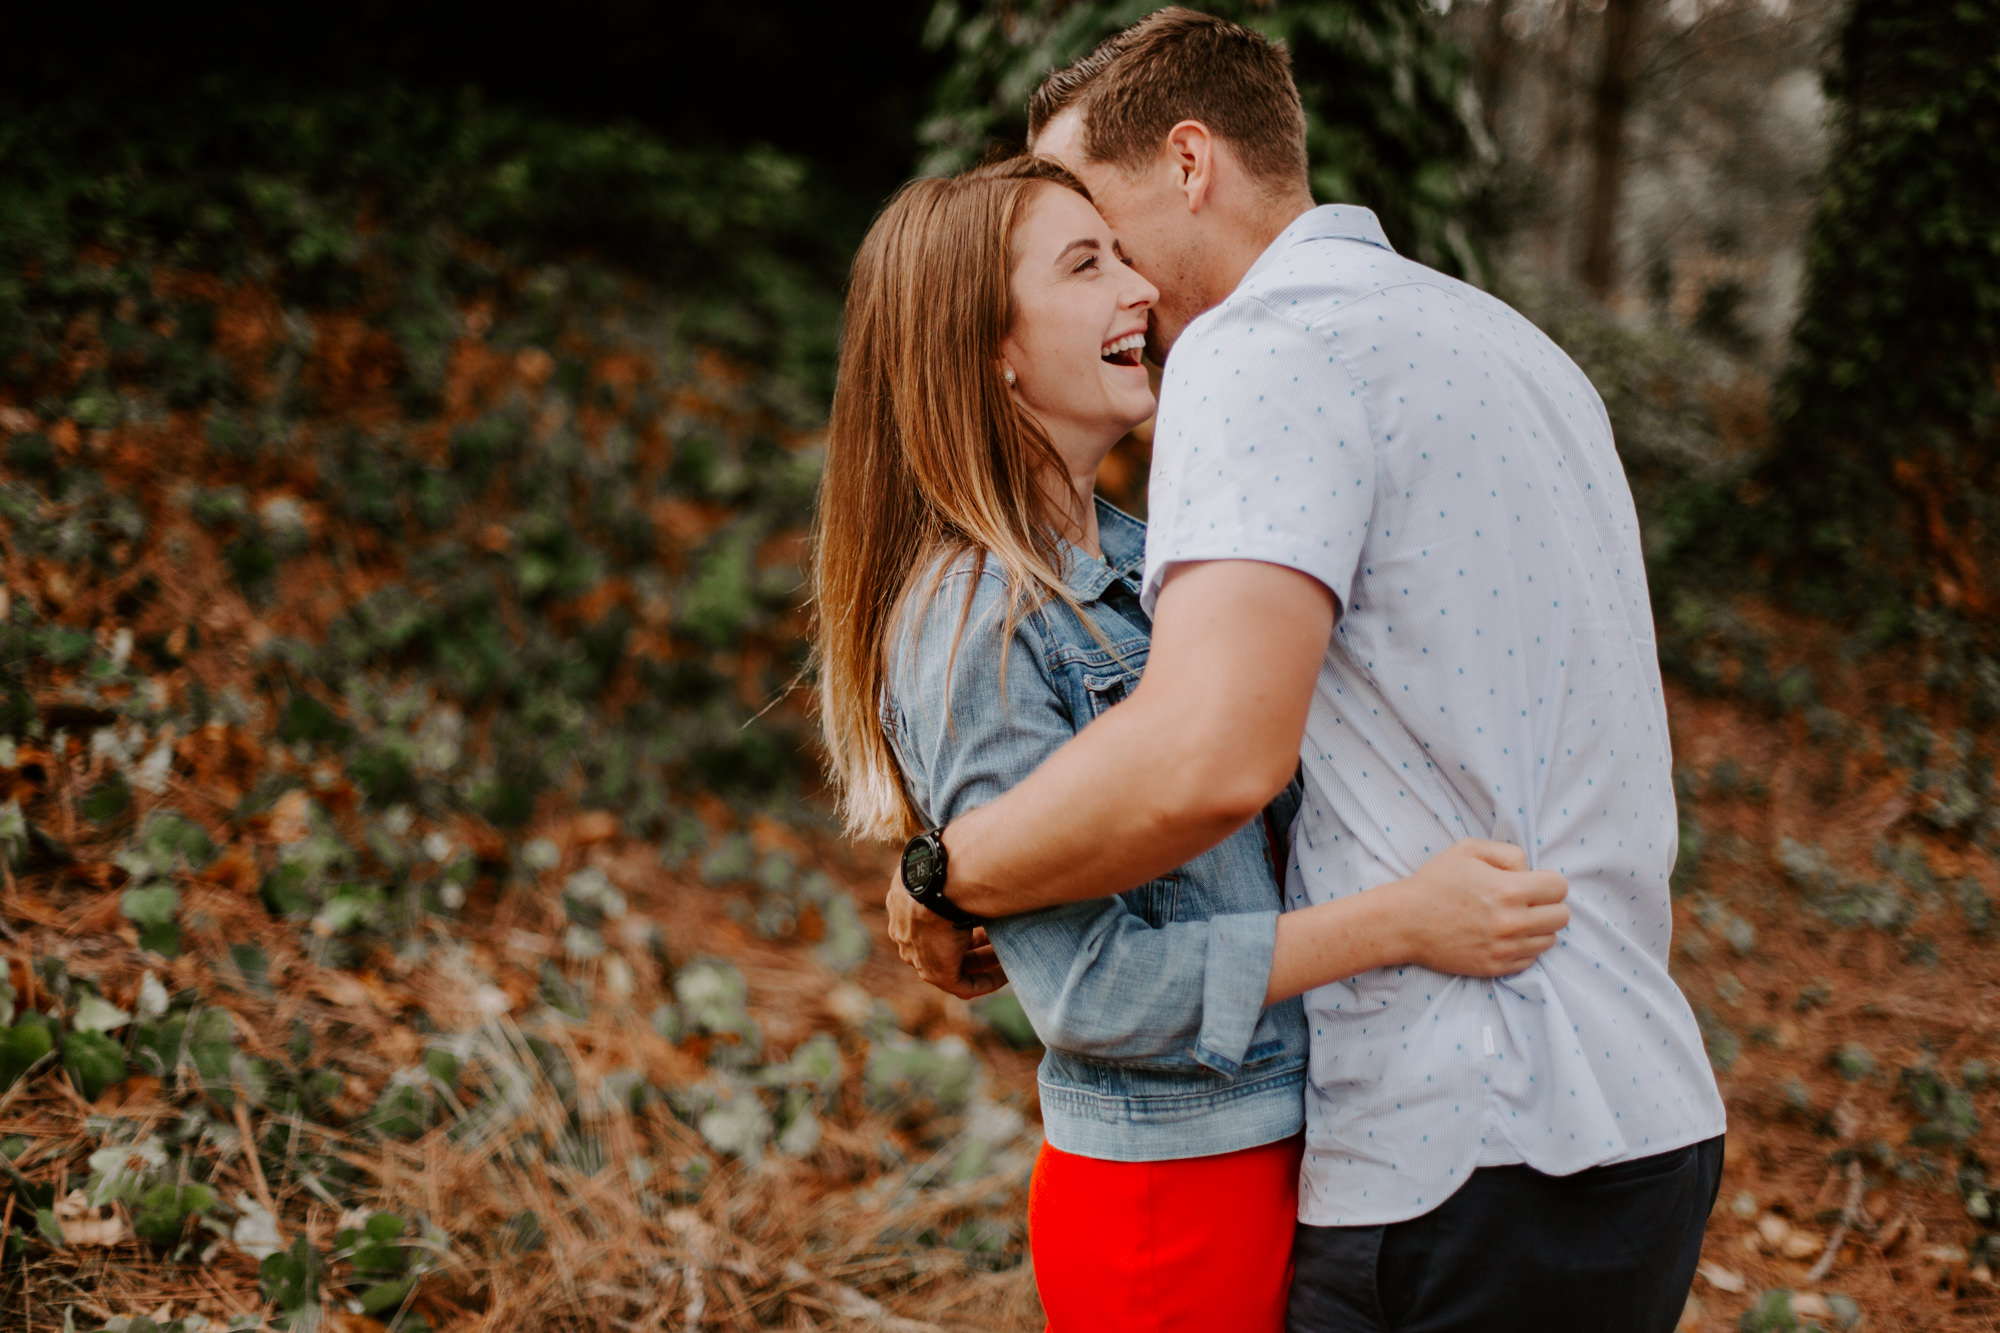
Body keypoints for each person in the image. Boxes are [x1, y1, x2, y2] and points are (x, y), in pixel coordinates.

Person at [883, 11, 1728, 1333]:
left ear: (1189, 161)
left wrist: (951, 867)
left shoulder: (1259, 349)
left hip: (1458, 1137)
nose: (1126, 294)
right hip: (1634, 1115)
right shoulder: (1518, 350)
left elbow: (1211, 752)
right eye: (1075, 262)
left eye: (1104, 227)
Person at [811, 153, 1568, 1332]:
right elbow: (1092, 991)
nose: (1138, 289)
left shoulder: (1152, 556)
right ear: (988, 350)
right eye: (1084, 263)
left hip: (1281, 1146)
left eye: (1119, 251)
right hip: (1166, 1206)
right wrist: (1401, 924)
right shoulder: (969, 622)